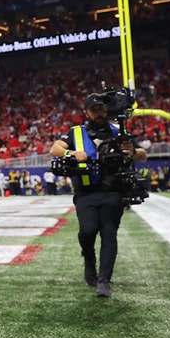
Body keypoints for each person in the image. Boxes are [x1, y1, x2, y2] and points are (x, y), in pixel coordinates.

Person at [49, 92, 147, 297]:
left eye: (101, 109)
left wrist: (131, 153)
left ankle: (104, 280)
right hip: (86, 192)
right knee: (87, 230)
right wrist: (71, 153)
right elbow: (54, 149)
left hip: (113, 191)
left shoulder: (118, 131)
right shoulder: (76, 133)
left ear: (107, 110)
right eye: (94, 110)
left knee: (109, 233)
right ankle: (89, 260)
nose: (99, 113)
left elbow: (142, 155)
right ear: (87, 112)